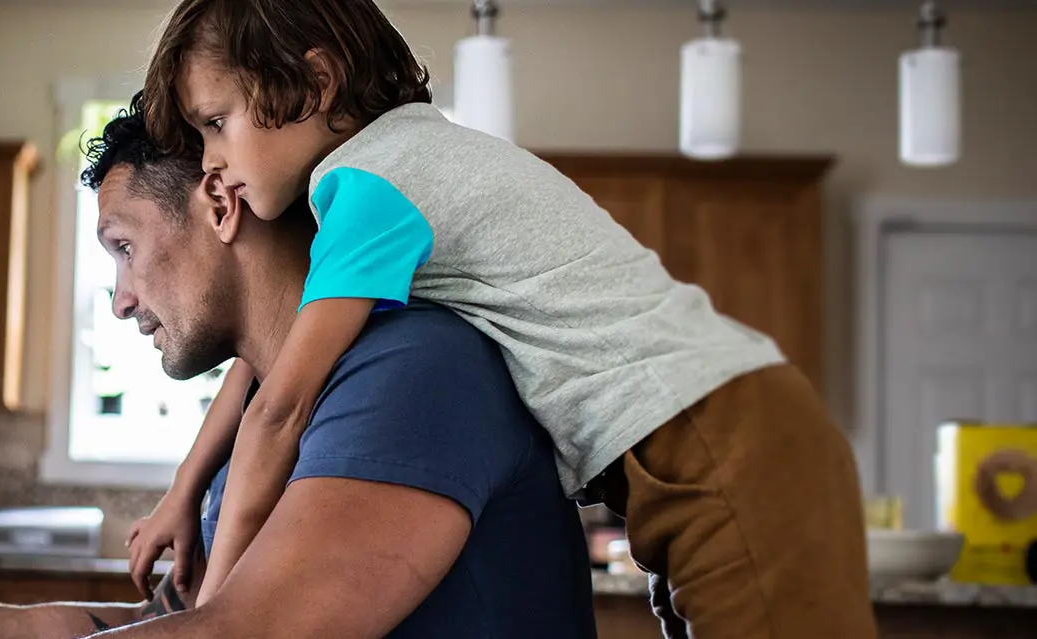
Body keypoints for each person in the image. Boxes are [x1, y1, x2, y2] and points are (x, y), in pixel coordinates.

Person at [121, 1, 876, 636]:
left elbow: (281, 408)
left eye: (216, 122)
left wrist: (216, 618)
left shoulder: (371, 186)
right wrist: (187, 486)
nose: (210, 160)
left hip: (724, 440)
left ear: (317, 82)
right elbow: (273, 358)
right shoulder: (398, 162)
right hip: (708, 443)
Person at [0, 104, 594, 639]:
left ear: (220, 204)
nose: (119, 300)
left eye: (124, 247)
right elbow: (159, 624)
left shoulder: (415, 369)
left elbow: (234, 635)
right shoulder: (262, 407)